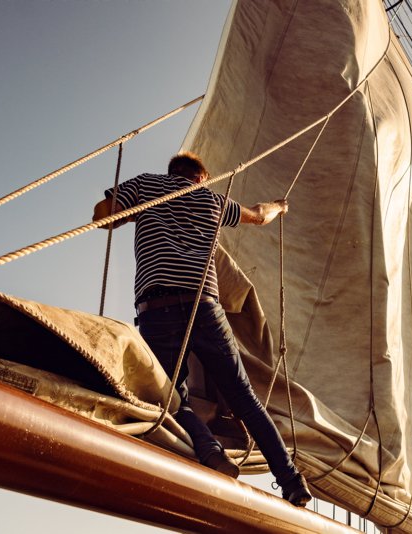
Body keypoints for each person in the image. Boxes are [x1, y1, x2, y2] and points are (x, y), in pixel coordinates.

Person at [92, 152, 312, 507]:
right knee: (246, 401)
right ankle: (291, 481)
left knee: (173, 399)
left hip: (156, 309)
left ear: (173, 172)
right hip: (205, 307)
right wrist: (279, 207)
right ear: (201, 178)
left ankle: (209, 449)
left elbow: (103, 217)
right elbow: (258, 215)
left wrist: (118, 209)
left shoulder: (148, 185)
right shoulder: (211, 199)